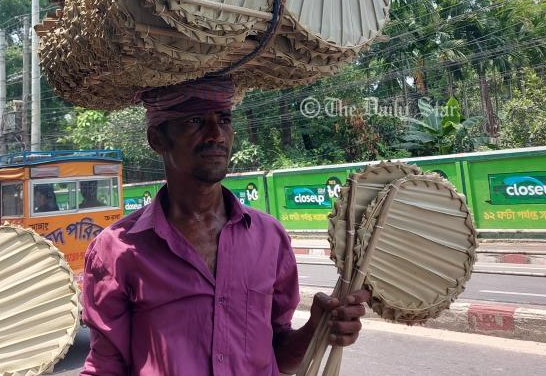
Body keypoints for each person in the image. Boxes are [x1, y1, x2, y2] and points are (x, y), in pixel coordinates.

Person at [81, 78, 369, 375]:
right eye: (195, 121)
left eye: (224, 120)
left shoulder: (269, 237)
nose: (216, 135)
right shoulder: (117, 250)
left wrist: (317, 328)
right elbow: (105, 367)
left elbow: (281, 356)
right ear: (158, 139)